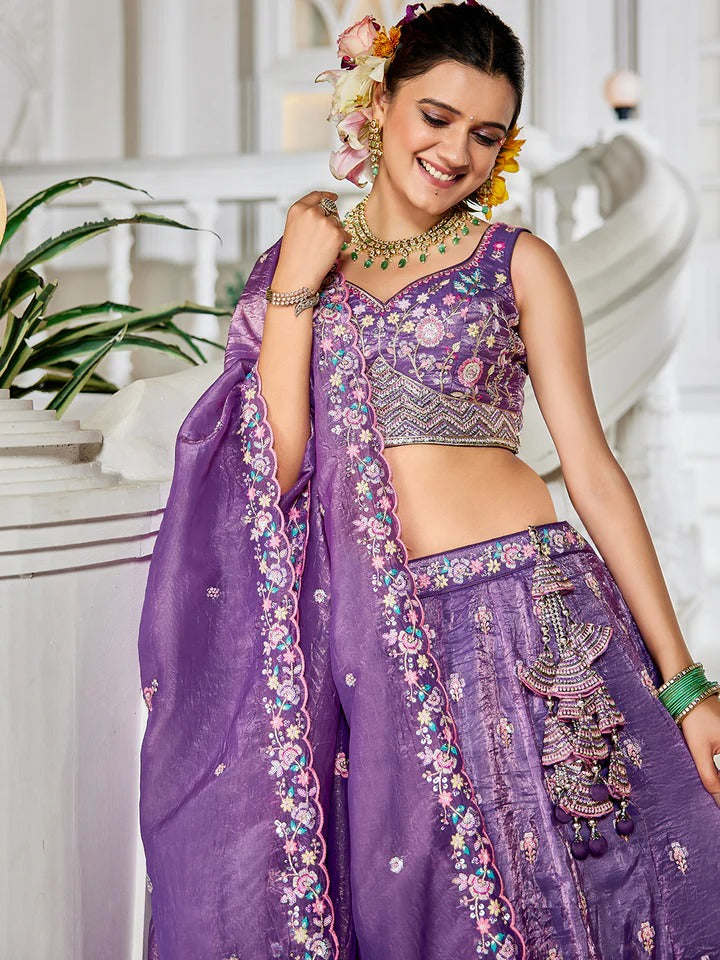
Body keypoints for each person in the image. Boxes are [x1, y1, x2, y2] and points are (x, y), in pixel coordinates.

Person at [138, 3, 720, 958]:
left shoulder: (518, 264)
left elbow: (594, 472)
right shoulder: (296, 270)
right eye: (436, 117)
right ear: (378, 105)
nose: (456, 152)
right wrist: (295, 285)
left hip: (533, 621)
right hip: (373, 641)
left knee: (593, 900)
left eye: (486, 135)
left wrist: (687, 684)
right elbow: (271, 470)